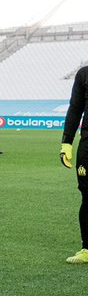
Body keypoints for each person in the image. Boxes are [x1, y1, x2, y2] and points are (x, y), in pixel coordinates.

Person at [60, 66, 88, 263]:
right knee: (87, 196)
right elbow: (75, 108)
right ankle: (87, 248)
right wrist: (66, 142)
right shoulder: (84, 74)